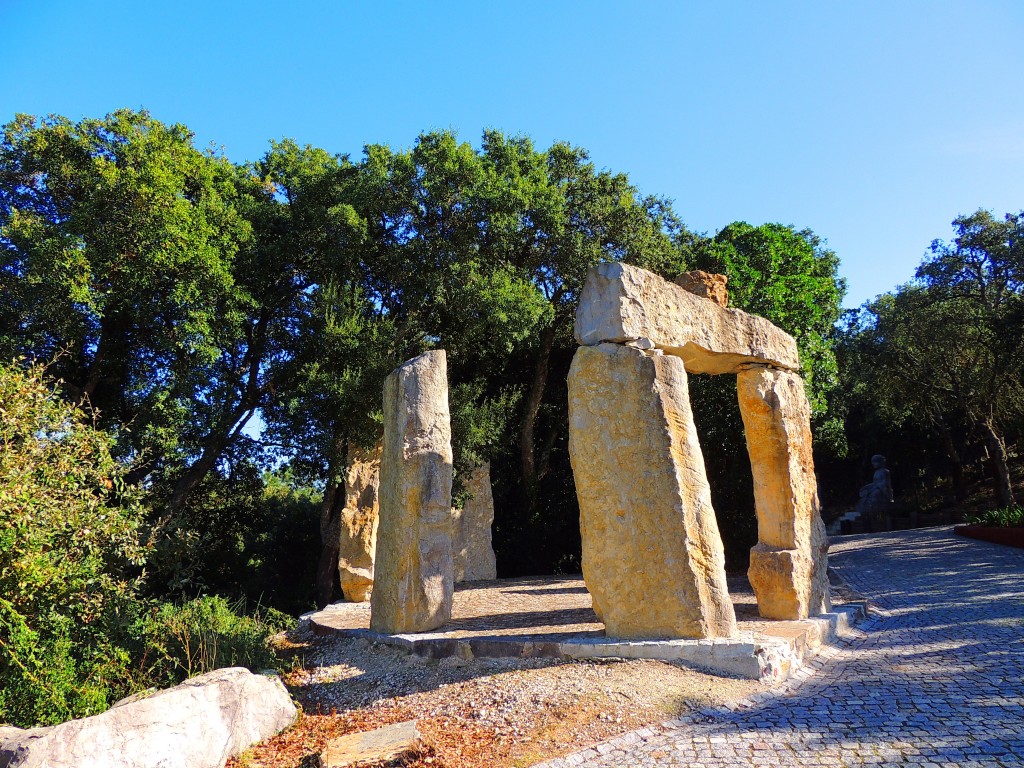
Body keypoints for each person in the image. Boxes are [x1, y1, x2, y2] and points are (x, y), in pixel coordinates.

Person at [857, 454, 894, 531]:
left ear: (880, 462)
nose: (873, 463)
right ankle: (865, 513)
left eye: (875, 462)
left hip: (883, 492)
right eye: (872, 462)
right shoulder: (876, 472)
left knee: (874, 494)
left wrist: (874, 488)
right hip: (876, 488)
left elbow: (884, 484)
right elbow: (874, 483)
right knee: (865, 495)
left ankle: (872, 513)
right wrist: (866, 487)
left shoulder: (885, 471)